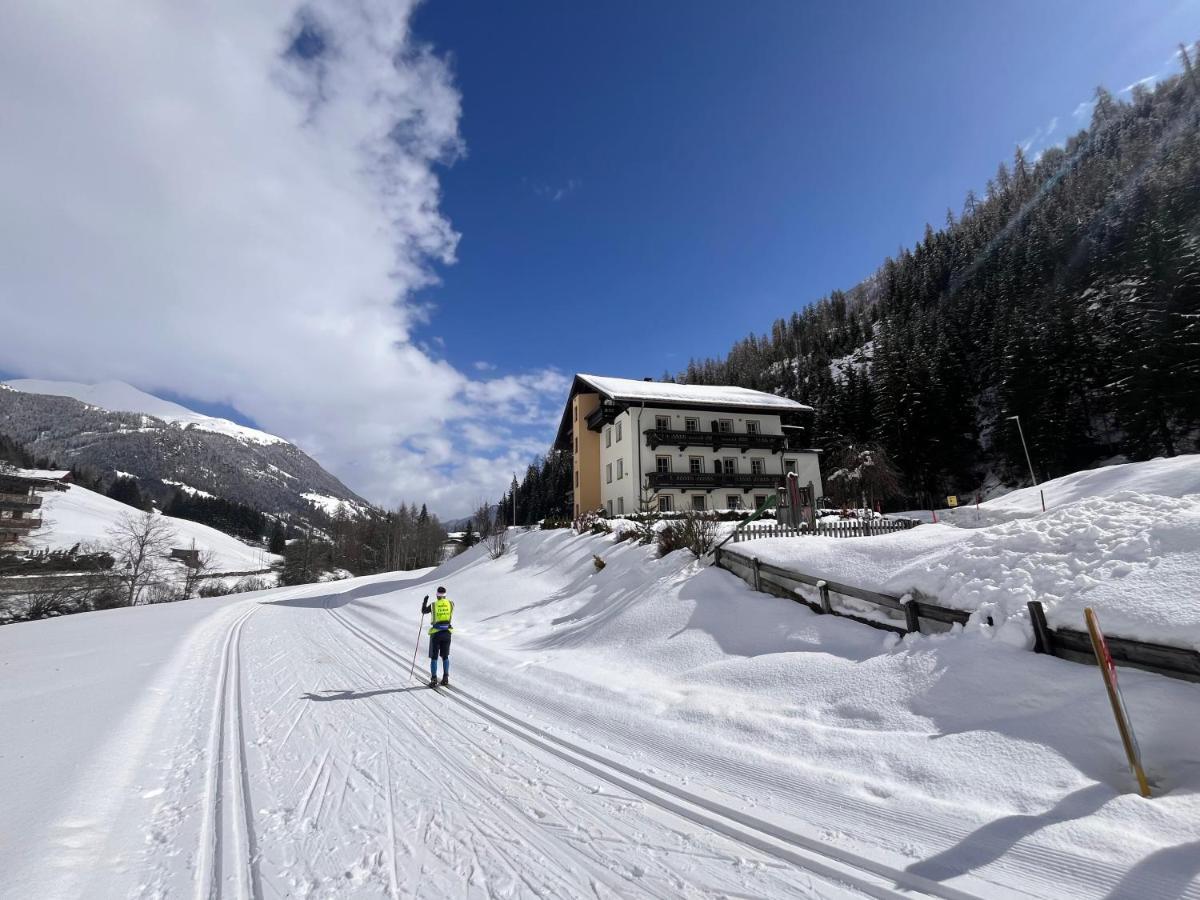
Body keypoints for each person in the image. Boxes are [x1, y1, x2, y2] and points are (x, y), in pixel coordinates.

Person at [421, 586, 454, 687]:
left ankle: (434, 679)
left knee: (434, 657)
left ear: (437, 595)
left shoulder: (433, 605)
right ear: (445, 595)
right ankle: (445, 678)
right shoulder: (451, 604)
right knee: (445, 656)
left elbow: (423, 611)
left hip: (436, 633)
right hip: (447, 632)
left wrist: (424, 602)